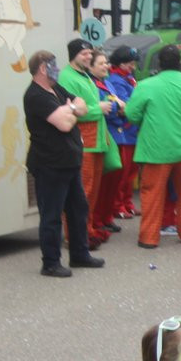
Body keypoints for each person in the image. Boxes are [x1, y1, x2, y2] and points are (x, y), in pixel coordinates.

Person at [22, 49, 104, 276]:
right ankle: (50, 262)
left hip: (69, 161)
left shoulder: (55, 88)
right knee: (51, 215)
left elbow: (84, 105)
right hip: (49, 163)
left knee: (78, 209)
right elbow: (64, 124)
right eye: (53, 65)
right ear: (42, 68)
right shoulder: (35, 95)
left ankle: (80, 254)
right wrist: (71, 109)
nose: (57, 69)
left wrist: (69, 108)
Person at [124, 44, 181, 249]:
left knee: (152, 193)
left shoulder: (146, 85)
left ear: (159, 64)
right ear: (180, 62)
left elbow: (132, 115)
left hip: (155, 150)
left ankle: (149, 237)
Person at [59, 39, 116, 249]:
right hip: (84, 142)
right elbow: (70, 110)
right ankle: (75, 234)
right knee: (82, 191)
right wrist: (98, 109)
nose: (88, 57)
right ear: (73, 54)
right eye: (84, 54)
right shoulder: (67, 77)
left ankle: (87, 229)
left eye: (89, 53)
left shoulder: (84, 75)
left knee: (91, 192)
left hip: (95, 141)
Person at [87, 50, 125, 239]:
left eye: (106, 63)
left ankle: (106, 217)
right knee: (101, 182)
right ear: (91, 66)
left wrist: (117, 105)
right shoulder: (92, 85)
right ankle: (97, 220)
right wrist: (117, 105)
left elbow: (118, 104)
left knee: (114, 179)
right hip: (104, 134)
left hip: (117, 135)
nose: (106, 66)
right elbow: (111, 107)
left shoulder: (108, 83)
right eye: (101, 63)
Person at [107, 45, 141, 219]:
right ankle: (117, 205)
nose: (132, 67)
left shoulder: (128, 78)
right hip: (123, 132)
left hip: (131, 132)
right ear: (119, 63)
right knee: (122, 174)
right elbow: (123, 107)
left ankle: (127, 203)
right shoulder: (115, 81)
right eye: (129, 63)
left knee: (131, 173)